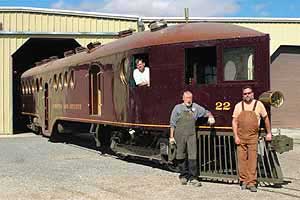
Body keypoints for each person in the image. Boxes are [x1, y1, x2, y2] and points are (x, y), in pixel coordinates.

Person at [169, 91, 215, 186]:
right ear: (183, 98)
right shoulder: (177, 108)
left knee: (192, 156)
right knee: (180, 155)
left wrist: (210, 116)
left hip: (191, 135)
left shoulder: (196, 107)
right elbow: (172, 124)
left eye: (190, 98)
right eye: (186, 98)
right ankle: (183, 176)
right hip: (179, 135)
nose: (188, 100)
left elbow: (206, 112)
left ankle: (193, 178)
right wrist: (171, 137)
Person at [232, 86, 272, 192]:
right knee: (242, 160)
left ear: (253, 94)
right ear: (243, 95)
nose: (247, 95)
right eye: (245, 94)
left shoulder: (259, 105)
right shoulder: (238, 106)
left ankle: (252, 182)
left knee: (253, 160)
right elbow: (234, 122)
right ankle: (243, 181)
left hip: (253, 137)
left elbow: (266, 118)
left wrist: (269, 133)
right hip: (241, 137)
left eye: (249, 93)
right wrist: (236, 136)